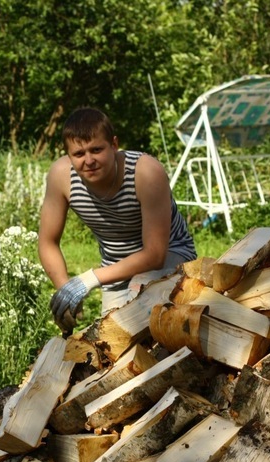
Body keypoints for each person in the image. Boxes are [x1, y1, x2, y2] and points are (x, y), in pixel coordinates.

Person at [38, 107, 197, 333]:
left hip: (171, 256)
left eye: (96, 150)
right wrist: (66, 290)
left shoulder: (145, 172)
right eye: (79, 154)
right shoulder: (61, 177)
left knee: (141, 318)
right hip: (114, 269)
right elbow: (48, 242)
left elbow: (155, 255)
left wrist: (87, 280)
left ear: (114, 145)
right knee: (112, 338)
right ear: (68, 155)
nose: (89, 160)